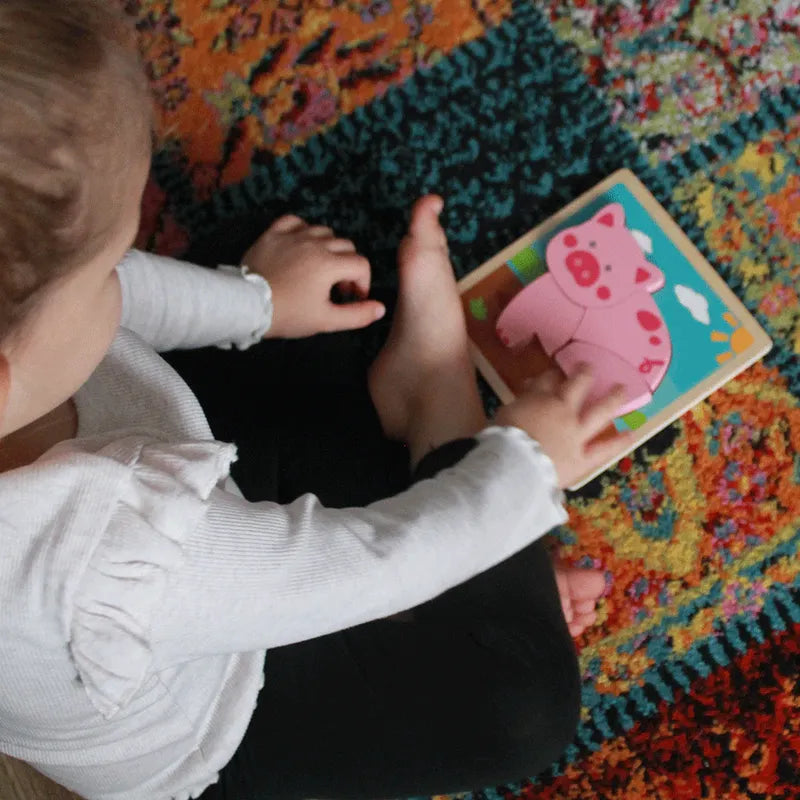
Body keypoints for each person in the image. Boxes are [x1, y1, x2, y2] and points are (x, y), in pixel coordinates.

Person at [0, 2, 627, 798]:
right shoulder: (101, 564)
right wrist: (520, 473)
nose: (126, 267)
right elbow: (368, 566)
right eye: (110, 260)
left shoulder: (27, 357)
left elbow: (124, 296)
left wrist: (258, 304)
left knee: (298, 273)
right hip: (224, 713)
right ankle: (440, 405)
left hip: (179, 502)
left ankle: (471, 529)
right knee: (517, 702)